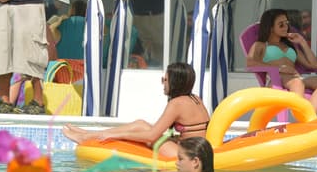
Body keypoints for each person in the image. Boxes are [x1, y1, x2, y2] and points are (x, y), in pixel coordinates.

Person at [62, 61, 209, 159]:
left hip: (187, 154)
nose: (163, 83)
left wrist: (118, 135)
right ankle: (88, 134)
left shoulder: (177, 104)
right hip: (195, 149)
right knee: (140, 124)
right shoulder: (195, 98)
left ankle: (89, 136)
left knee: (142, 127)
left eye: (165, 80)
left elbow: (151, 136)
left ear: (175, 82)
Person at [246, 8, 317, 113]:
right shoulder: (261, 45)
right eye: (281, 25)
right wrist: (279, 68)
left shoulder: (290, 46)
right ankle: (301, 114)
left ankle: (308, 116)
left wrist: (302, 42)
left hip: (295, 78)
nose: (286, 27)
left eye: (286, 24)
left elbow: (313, 65)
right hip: (276, 79)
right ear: (271, 27)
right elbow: (250, 62)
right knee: (297, 83)